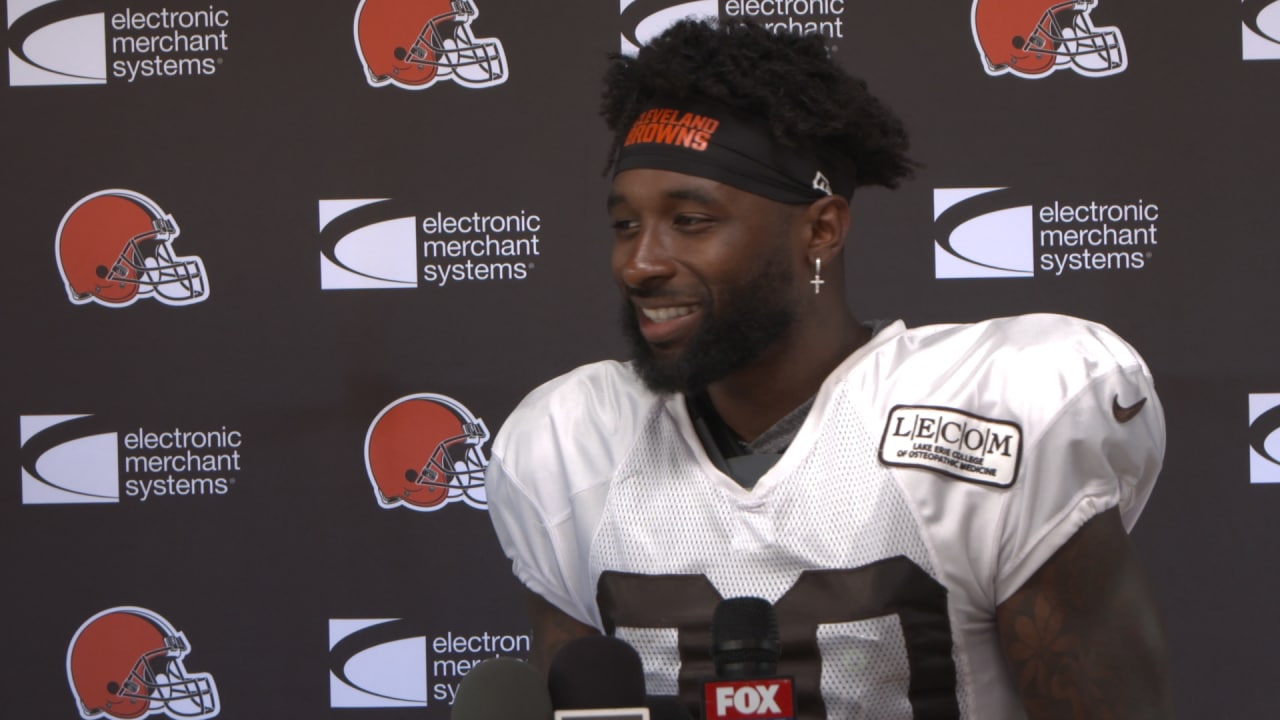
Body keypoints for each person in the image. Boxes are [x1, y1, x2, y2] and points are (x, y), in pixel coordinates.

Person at [484, 18, 1171, 720]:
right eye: (626, 225)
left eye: (690, 221)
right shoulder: (572, 443)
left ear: (821, 230)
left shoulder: (997, 411)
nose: (641, 262)